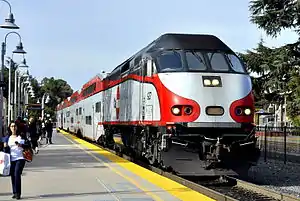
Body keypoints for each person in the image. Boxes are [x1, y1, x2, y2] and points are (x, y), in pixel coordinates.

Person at [3, 122, 29, 200]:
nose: (13, 128)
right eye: (12, 126)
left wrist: (21, 145)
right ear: (10, 128)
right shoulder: (8, 138)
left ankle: (18, 193)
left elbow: (28, 145)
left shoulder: (21, 136)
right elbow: (5, 150)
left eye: (15, 126)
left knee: (17, 173)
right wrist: (5, 146)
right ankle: (14, 192)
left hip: (20, 158)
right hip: (11, 159)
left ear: (17, 128)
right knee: (12, 175)